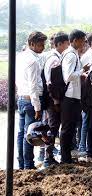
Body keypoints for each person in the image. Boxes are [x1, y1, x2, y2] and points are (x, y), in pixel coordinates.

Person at [16, 31, 47, 169]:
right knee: (30, 135)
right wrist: (37, 107)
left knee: (21, 133)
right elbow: (33, 87)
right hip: (31, 101)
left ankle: (22, 164)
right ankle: (29, 165)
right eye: (41, 45)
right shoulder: (33, 61)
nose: (43, 47)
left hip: (22, 98)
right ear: (31, 44)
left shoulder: (20, 56)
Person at [43, 32, 70, 167]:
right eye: (67, 43)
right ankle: (48, 158)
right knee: (53, 127)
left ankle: (50, 156)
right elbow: (51, 83)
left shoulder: (55, 56)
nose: (68, 46)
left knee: (53, 126)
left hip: (53, 98)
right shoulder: (54, 59)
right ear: (60, 44)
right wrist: (56, 101)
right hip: (53, 99)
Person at [60, 29, 86, 163]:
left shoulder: (73, 54)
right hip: (69, 95)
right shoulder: (70, 55)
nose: (84, 43)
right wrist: (82, 71)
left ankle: (67, 156)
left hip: (74, 95)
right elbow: (68, 76)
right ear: (75, 40)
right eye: (82, 40)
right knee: (67, 128)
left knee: (70, 127)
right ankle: (65, 158)